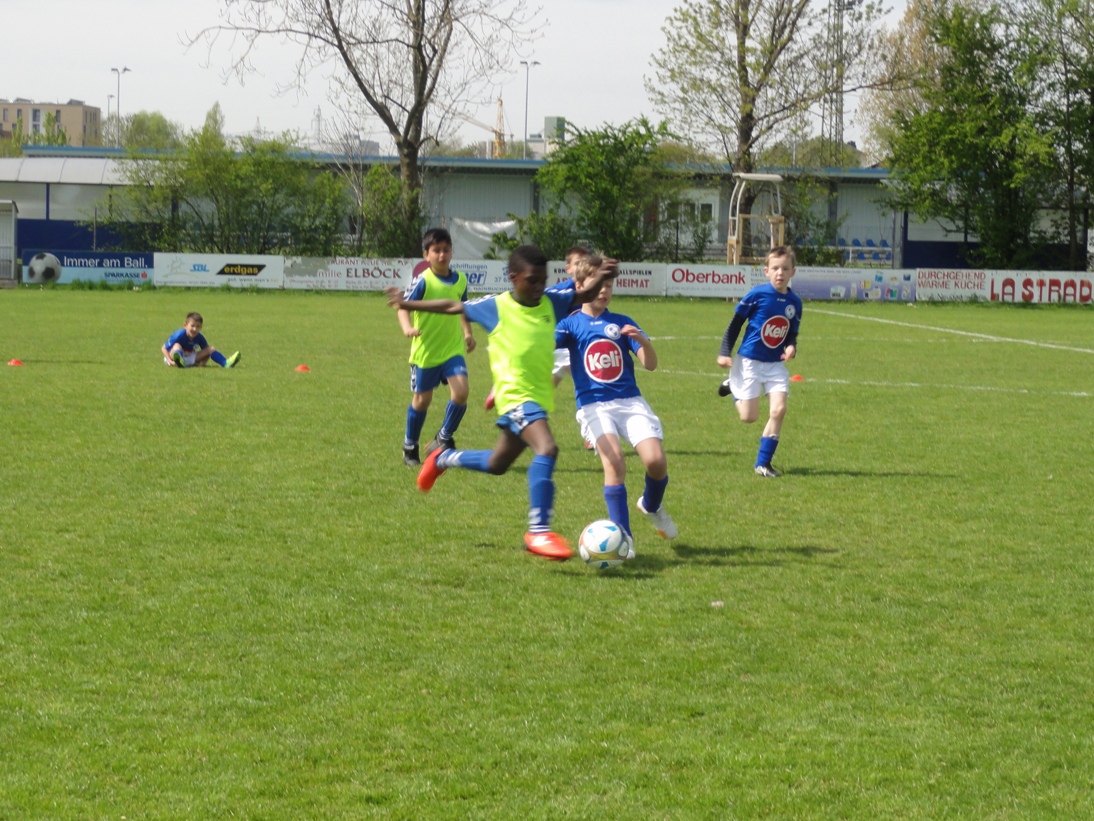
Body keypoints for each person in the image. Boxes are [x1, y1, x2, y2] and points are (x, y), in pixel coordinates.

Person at [387, 245, 618, 561]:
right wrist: (406, 303)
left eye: (543, 280)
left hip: (538, 399)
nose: (538, 287)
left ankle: (443, 457)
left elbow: (584, 295)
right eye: (531, 280)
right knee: (547, 449)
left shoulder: (551, 301)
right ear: (513, 277)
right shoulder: (495, 306)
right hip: (515, 397)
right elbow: (453, 305)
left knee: (498, 464)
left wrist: (603, 275)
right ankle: (539, 530)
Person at [555, 255, 677, 545]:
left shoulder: (622, 322)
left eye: (608, 285)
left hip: (630, 402)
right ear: (580, 287)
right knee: (615, 463)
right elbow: (544, 345)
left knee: (656, 461)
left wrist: (642, 341)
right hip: (593, 406)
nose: (603, 291)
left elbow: (650, 364)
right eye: (597, 285)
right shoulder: (569, 325)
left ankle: (651, 505)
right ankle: (624, 539)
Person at [716, 245, 803, 477]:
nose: (780, 273)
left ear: (793, 272)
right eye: (775, 268)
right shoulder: (757, 295)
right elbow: (735, 324)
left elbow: (791, 333)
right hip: (749, 362)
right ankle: (734, 387)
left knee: (779, 410)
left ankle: (763, 464)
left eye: (785, 268)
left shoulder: (795, 302)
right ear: (766, 271)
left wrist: (791, 347)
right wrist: (724, 351)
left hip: (775, 364)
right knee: (749, 417)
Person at [397, 227, 476, 467]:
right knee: (422, 400)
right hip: (426, 352)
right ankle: (410, 445)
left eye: (446, 250)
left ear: (451, 252)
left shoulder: (460, 279)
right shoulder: (423, 280)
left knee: (461, 393)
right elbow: (403, 306)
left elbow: (462, 308)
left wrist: (468, 333)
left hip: (452, 350)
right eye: (436, 250)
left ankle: (443, 437)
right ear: (426, 255)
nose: (442, 255)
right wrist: (407, 327)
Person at [483, 244, 590, 412]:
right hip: (553, 342)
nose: (581, 266)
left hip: (568, 344)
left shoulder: (591, 291)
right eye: (577, 263)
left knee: (551, 380)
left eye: (585, 262)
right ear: (568, 268)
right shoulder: (559, 291)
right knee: (586, 377)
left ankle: (509, 393)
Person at [162, 312, 240, 369]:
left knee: (211, 349)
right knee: (177, 346)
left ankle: (226, 363)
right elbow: (164, 348)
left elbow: (207, 352)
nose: (195, 329)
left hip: (190, 357)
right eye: (192, 326)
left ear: (201, 327)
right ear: (185, 325)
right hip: (172, 358)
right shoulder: (179, 334)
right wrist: (170, 361)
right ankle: (179, 361)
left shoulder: (199, 337)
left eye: (198, 326)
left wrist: (203, 363)